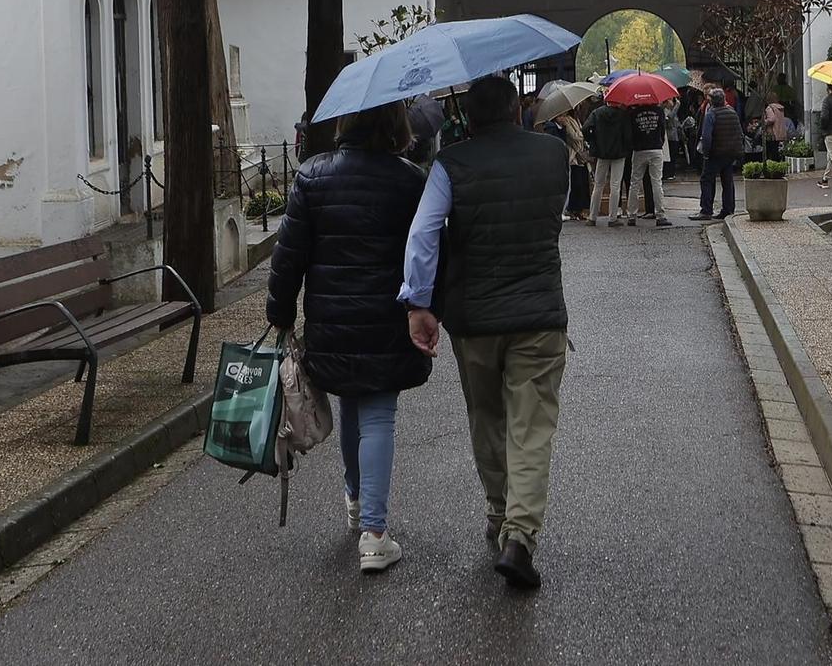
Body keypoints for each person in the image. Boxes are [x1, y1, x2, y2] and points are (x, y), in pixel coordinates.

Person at [400, 76, 569, 590]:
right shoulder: (555, 155)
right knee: (531, 427)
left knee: (487, 418)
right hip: (540, 313)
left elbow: (424, 232)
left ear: (467, 117)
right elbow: (550, 218)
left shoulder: (451, 163)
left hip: (473, 318)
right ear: (517, 110)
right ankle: (521, 536)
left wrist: (419, 304)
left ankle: (499, 513)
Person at [266, 100, 430, 574]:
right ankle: (374, 535)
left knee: (352, 407)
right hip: (387, 318)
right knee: (378, 414)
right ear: (396, 126)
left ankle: (357, 502)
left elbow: (289, 253)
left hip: (332, 322)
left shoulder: (314, 177)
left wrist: (279, 310)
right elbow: (426, 250)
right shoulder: (409, 181)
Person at [688, 87, 743, 220]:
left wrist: (706, 153)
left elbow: (706, 136)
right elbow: (739, 133)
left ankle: (706, 210)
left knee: (706, 179)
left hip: (715, 153)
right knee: (727, 181)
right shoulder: (732, 112)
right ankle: (728, 209)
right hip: (730, 152)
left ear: (712, 101)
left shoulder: (711, 114)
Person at [584, 97, 632, 227]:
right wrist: (626, 148)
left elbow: (586, 128)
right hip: (619, 153)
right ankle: (612, 217)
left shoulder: (597, 112)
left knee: (598, 184)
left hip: (602, 153)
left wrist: (594, 142)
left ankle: (592, 217)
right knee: (615, 185)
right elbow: (628, 135)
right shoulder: (623, 115)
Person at [626, 98, 670, 227]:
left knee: (634, 183)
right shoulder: (659, 111)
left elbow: (631, 133)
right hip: (655, 148)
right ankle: (660, 215)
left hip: (639, 150)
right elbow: (662, 129)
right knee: (656, 182)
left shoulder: (633, 113)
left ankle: (632, 215)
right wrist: (659, 143)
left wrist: (634, 145)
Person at [817, 86, 832, 188]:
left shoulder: (827, 100)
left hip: (830, 132)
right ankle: (825, 179)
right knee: (831, 156)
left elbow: (824, 117)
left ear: (828, 89)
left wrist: (823, 128)